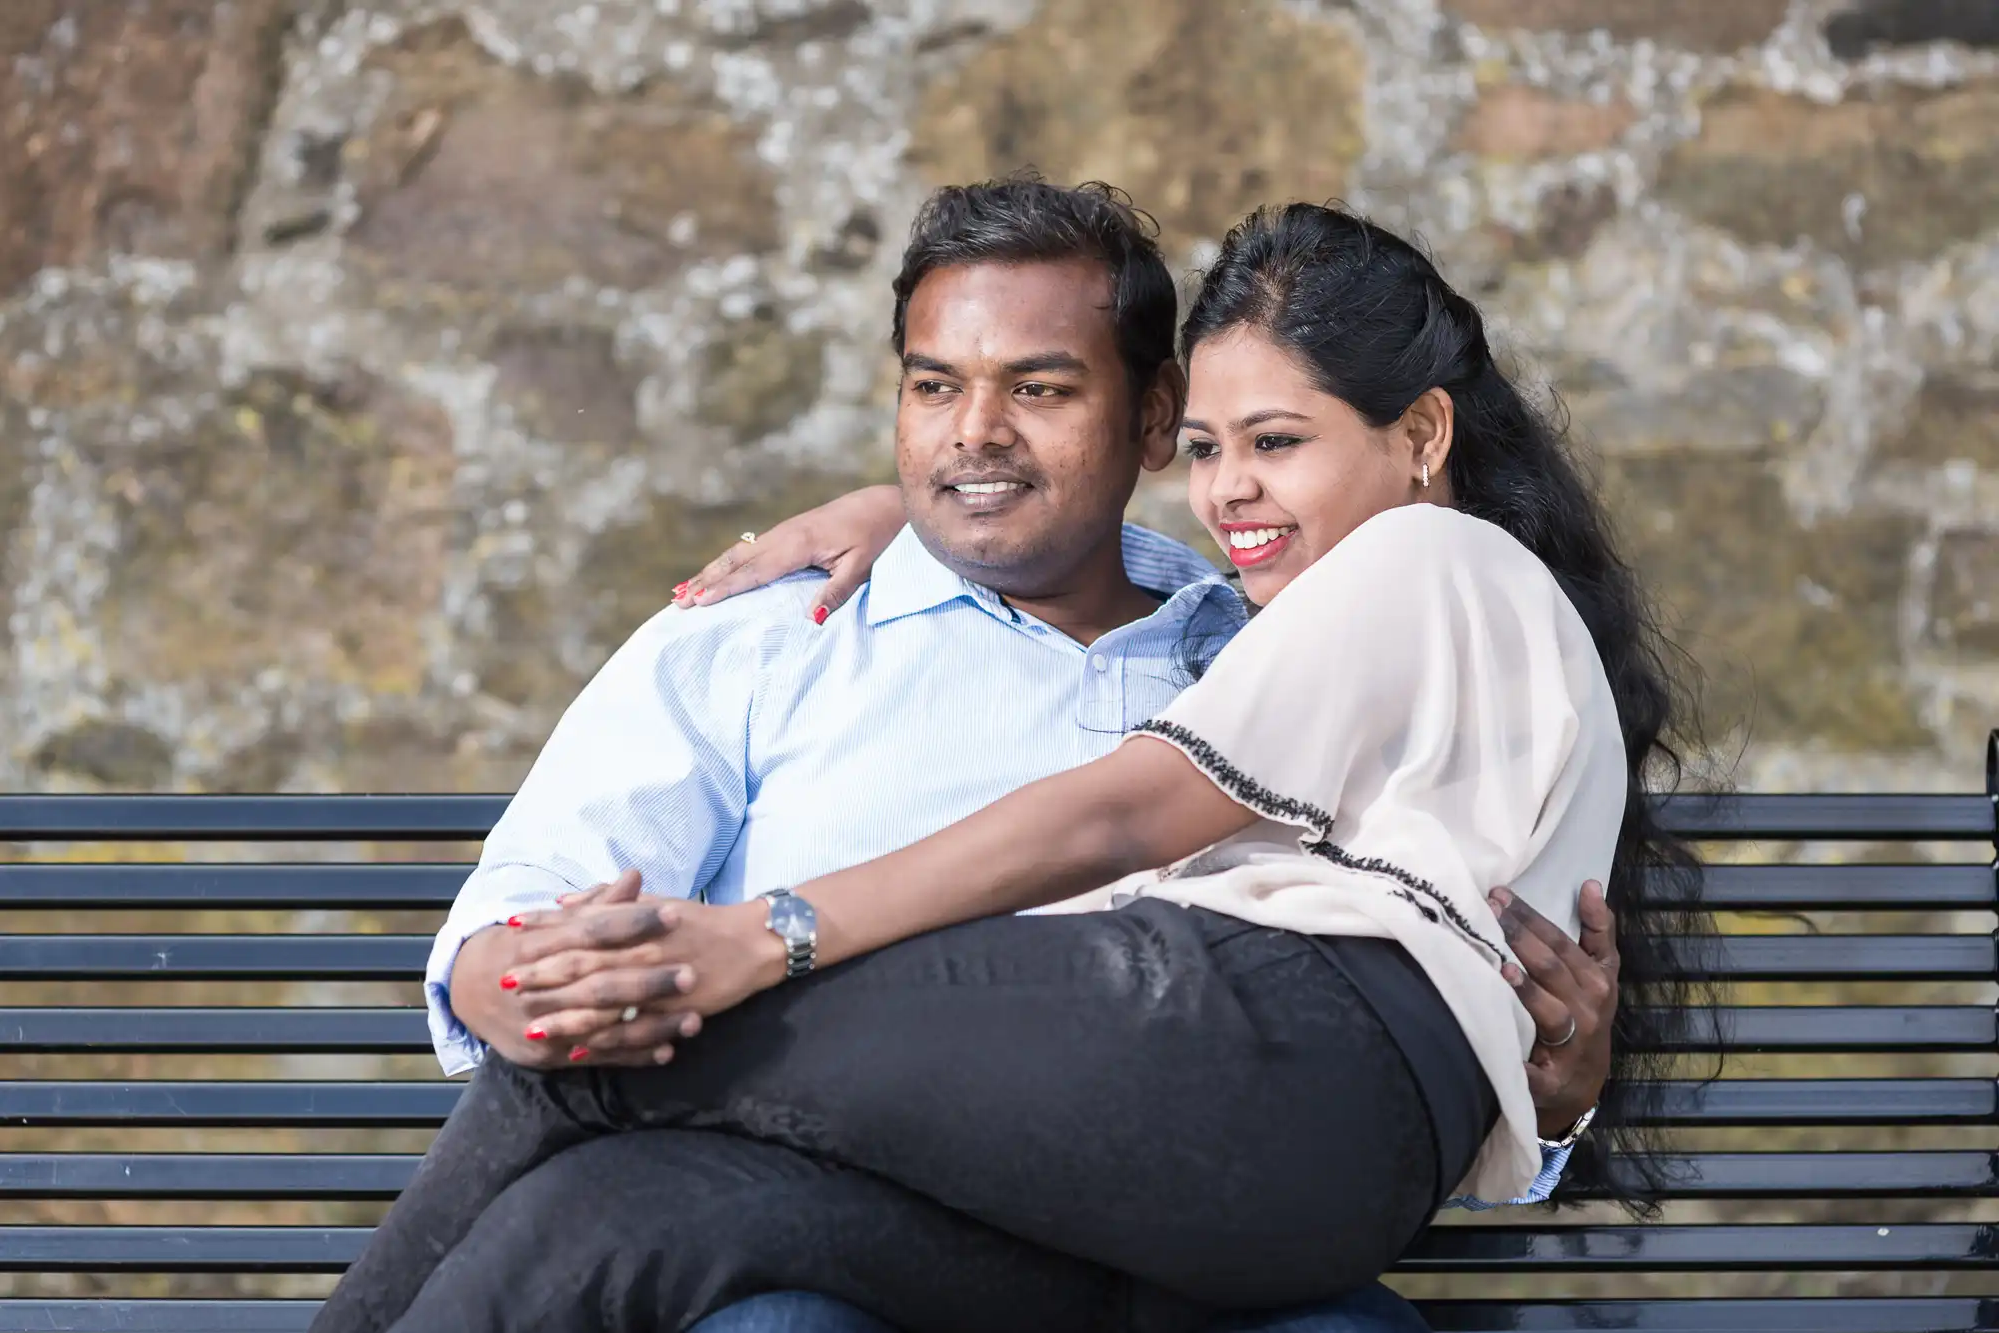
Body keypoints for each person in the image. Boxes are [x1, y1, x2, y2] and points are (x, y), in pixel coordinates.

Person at [315, 183, 1697, 1333]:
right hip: (1041, 1220)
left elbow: (1123, 818)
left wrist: (761, 938)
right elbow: (508, 950)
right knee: (616, 1218)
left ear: (1422, 436)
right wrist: (911, 519)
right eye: (937, 392)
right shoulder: (770, 630)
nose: (1232, 492)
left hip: (1236, 1118)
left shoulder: (1345, 592)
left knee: (621, 1058)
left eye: (1037, 389)